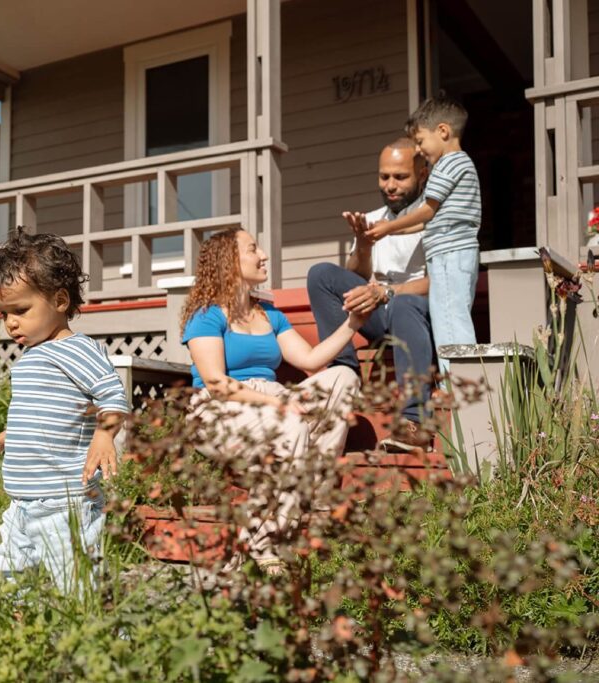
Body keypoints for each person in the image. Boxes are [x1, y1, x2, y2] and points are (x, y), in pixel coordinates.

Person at [181, 228, 367, 570]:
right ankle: (262, 538)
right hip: (222, 409)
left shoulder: (270, 315)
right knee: (292, 423)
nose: (263, 254)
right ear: (229, 261)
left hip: (273, 400)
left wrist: (352, 323)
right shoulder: (206, 315)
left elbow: (311, 360)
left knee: (343, 377)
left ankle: (313, 488)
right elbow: (216, 383)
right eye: (253, 248)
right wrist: (278, 405)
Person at [0, 229, 128, 593]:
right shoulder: (32, 357)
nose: (11, 323)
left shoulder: (77, 350)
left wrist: (104, 435)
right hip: (22, 501)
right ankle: (23, 642)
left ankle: (105, 646)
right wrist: (1, 440)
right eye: (3, 314)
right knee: (10, 579)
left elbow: (114, 395)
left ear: (60, 300)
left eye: (20, 310)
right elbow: (37, 420)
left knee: (79, 585)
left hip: (65, 503)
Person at [306, 137, 434, 447]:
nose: (390, 185)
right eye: (384, 176)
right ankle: (344, 373)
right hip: (381, 310)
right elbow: (357, 278)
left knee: (404, 303)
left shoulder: (435, 216)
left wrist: (388, 292)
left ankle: (415, 422)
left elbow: (441, 279)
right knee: (322, 275)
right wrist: (363, 246)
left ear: (422, 175)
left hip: (421, 313)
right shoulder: (375, 217)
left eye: (400, 177)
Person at [364, 96, 481, 375]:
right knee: (445, 319)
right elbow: (428, 221)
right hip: (447, 253)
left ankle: (458, 382)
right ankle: (452, 381)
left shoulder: (449, 165)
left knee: (451, 321)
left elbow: (427, 211)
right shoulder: (458, 165)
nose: (418, 149)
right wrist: (389, 231)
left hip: (451, 255)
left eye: (420, 141)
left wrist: (388, 227)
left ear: (443, 132)